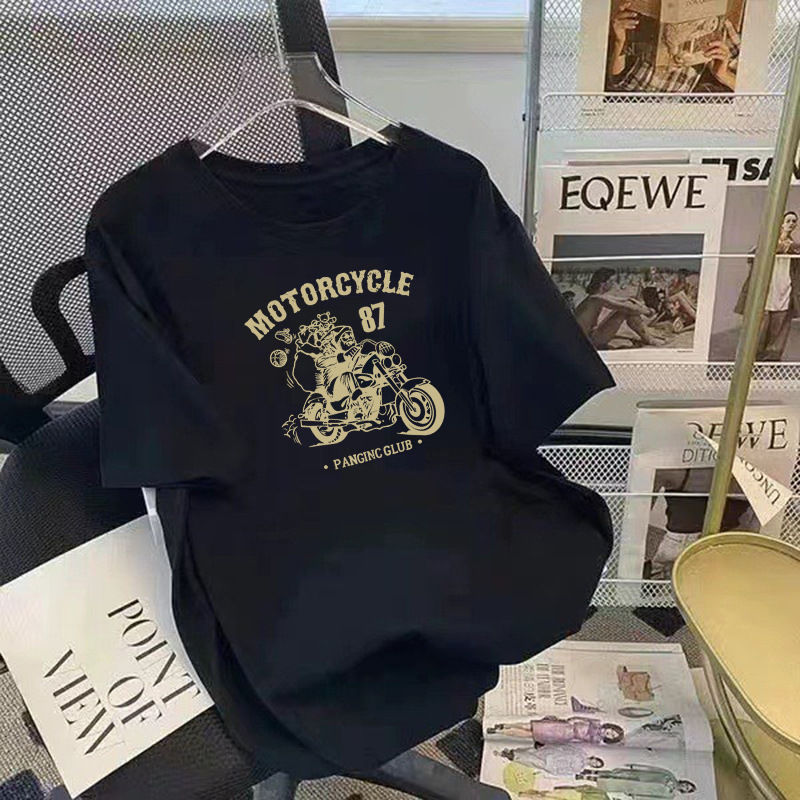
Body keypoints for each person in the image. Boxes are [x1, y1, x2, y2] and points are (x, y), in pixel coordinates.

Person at [606, 0, 740, 93]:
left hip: (674, 108)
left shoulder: (716, 23)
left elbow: (747, 89)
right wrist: (619, 41)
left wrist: (724, 74)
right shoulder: (641, 6)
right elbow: (616, 80)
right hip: (627, 98)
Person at [735, 210, 800, 361]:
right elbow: (752, 257)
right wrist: (777, 246)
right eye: (788, 220)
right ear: (781, 223)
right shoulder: (767, 241)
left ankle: (771, 362)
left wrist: (790, 248)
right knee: (758, 329)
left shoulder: (795, 247)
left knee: (779, 331)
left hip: (785, 292)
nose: (791, 224)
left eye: (794, 221)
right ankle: (752, 361)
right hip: (766, 292)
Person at [573, 267, 666, 350]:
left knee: (628, 306)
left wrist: (633, 301)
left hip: (588, 337)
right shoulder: (597, 299)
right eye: (611, 281)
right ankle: (649, 339)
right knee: (625, 311)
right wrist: (648, 312)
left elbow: (622, 300)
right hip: (589, 342)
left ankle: (649, 338)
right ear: (603, 284)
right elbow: (626, 308)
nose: (613, 284)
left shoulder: (594, 297)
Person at [578, 764, 697, 798]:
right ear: (685, 782)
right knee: (614, 774)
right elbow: (652, 769)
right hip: (638, 775)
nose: (685, 787)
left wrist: (635, 796)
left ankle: (585, 778)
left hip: (636, 788)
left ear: (684, 791)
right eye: (687, 785)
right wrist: (636, 767)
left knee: (610, 783)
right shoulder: (670, 775)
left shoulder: (669, 796)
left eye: (687, 789)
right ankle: (589, 771)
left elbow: (651, 798)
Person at [488, 717, 625, 746]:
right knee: (530, 725)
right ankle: (505, 725)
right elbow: (581, 718)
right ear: (611, 727)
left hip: (565, 736)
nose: (609, 733)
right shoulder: (596, 723)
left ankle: (500, 732)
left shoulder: (596, 740)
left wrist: (562, 741)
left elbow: (578, 742)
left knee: (530, 735)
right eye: (612, 731)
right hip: (564, 726)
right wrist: (571, 720)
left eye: (612, 736)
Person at [495, 745, 603, 777]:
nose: (593, 763)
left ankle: (506, 755)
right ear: (594, 758)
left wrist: (553, 771)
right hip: (550, 753)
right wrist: (552, 748)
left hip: (550, 765)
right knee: (530, 751)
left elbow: (564, 772)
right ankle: (511, 752)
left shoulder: (579, 769)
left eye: (595, 765)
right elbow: (566, 748)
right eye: (595, 762)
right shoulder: (581, 752)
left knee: (529, 761)